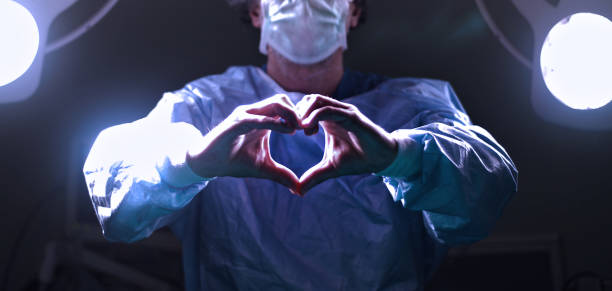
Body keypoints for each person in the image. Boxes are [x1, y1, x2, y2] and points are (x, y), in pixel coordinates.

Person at [83, 0, 518, 289]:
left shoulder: (409, 107)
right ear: (255, 11)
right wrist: (188, 161)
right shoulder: (207, 107)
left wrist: (401, 155)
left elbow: (487, 187)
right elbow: (115, 188)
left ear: (354, 10)